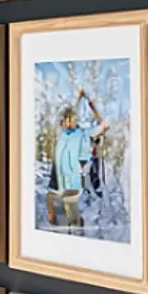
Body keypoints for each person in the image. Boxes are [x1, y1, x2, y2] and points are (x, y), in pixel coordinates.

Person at [49, 87, 108, 232]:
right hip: (64, 176)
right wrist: (79, 99)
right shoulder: (67, 134)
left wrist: (88, 102)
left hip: (77, 175)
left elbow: (102, 126)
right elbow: (70, 115)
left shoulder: (83, 134)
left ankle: (77, 229)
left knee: (74, 205)